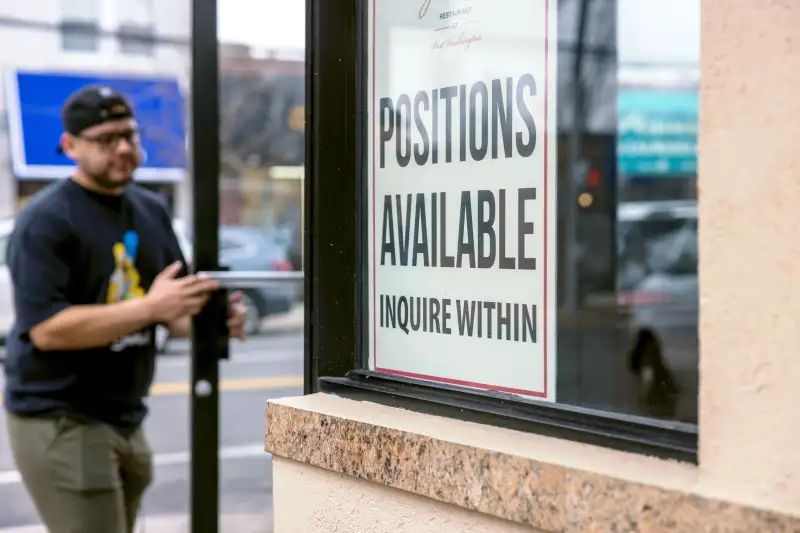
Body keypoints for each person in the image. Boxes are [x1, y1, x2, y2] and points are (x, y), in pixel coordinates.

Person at [2, 85, 248, 533]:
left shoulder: (150, 210)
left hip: (126, 416)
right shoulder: (46, 219)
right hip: (61, 419)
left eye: (130, 136)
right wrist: (152, 307)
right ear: (69, 146)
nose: (123, 148)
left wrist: (214, 323)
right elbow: (47, 329)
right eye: (106, 138)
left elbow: (171, 310)